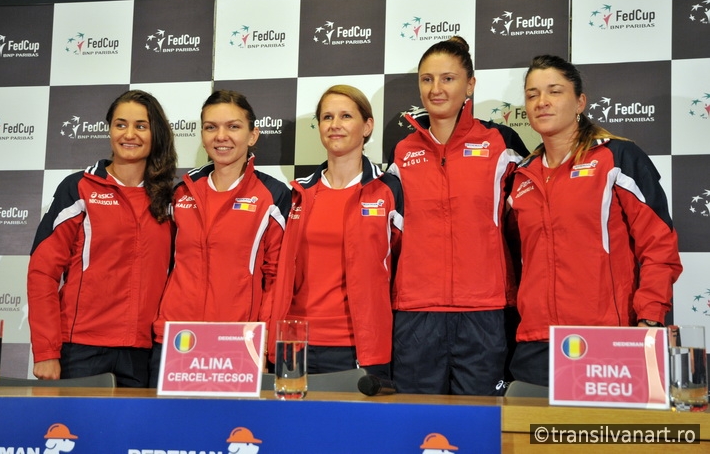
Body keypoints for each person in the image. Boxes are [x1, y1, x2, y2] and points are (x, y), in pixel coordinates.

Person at [507, 55, 683, 386]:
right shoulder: (521, 177)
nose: (542, 102)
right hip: (535, 343)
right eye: (532, 95)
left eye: (554, 91)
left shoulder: (617, 158)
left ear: (580, 102)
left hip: (607, 340)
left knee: (602, 436)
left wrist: (650, 318)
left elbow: (659, 244)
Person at [386, 36, 529, 395]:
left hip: (485, 309)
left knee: (482, 427)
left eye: (448, 78)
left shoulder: (501, 142)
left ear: (470, 84)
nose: (436, 89)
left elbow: (527, 224)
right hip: (416, 310)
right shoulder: (402, 151)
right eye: (427, 79)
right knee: (414, 429)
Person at [27, 90, 178, 387]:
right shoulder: (79, 188)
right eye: (120, 125)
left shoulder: (170, 199)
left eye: (141, 126)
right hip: (82, 350)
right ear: (109, 130)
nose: (129, 134)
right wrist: (46, 350)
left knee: (135, 434)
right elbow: (42, 272)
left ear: (156, 133)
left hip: (144, 354)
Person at [149, 89, 290, 386]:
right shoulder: (182, 192)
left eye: (233, 126)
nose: (221, 136)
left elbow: (276, 279)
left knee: (226, 430)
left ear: (253, 135)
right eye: (211, 127)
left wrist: (262, 343)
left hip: (235, 342)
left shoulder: (273, 196)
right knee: (168, 431)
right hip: (176, 339)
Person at [269, 85, 403, 379]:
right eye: (327, 117)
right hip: (294, 340)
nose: (335, 125)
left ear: (367, 126)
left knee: (355, 426)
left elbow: (405, 268)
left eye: (346, 116)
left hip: (357, 344)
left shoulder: (389, 190)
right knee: (290, 426)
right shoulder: (297, 193)